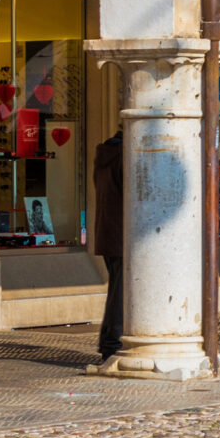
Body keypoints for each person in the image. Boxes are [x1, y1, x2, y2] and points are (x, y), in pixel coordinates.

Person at [91, 133, 125, 362]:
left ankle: (109, 342)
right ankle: (112, 344)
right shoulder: (124, 156)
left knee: (116, 291)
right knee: (120, 293)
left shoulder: (104, 154)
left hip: (108, 232)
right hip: (123, 234)